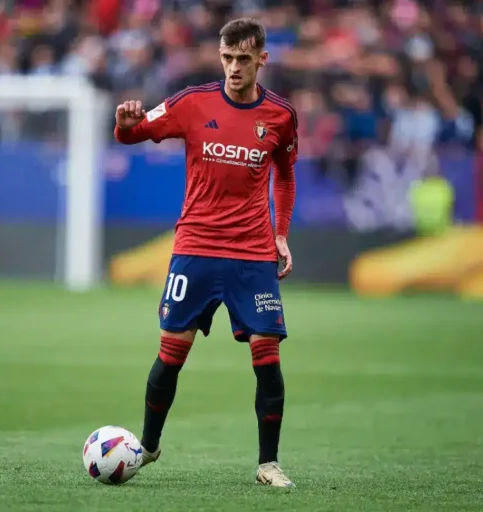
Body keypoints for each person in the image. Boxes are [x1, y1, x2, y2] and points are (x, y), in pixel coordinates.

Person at [113, 18, 297, 488]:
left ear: (262, 59)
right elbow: (134, 133)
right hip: (196, 245)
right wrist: (124, 125)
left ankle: (268, 464)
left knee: (267, 355)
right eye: (227, 58)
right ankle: (149, 447)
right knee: (172, 353)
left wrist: (280, 234)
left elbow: (286, 175)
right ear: (220, 57)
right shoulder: (192, 103)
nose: (234, 68)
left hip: (253, 253)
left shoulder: (280, 116)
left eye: (243, 59)